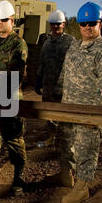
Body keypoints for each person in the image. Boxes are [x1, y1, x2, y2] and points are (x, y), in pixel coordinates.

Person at [54, 2, 102, 203]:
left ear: (100, 23)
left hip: (89, 113)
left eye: (92, 23)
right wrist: (59, 99)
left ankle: (81, 188)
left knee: (86, 149)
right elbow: (65, 74)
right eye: (83, 23)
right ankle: (66, 176)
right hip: (68, 109)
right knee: (65, 142)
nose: (87, 27)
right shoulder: (74, 46)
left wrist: (97, 117)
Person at [0, 0, 28, 194]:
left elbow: (14, 75)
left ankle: (20, 175)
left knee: (14, 137)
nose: (0, 23)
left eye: (3, 20)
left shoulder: (18, 43)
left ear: (12, 20)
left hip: (9, 96)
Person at [35, 10, 75, 150]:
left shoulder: (70, 41)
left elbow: (76, 65)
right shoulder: (46, 42)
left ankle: (63, 142)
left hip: (63, 86)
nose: (56, 27)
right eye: (53, 24)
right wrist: (38, 80)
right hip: (48, 86)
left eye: (58, 24)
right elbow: (42, 62)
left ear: (63, 24)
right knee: (49, 115)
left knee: (62, 115)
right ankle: (51, 137)